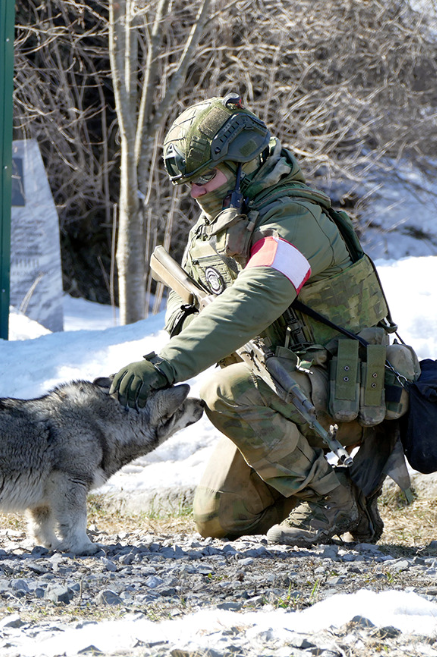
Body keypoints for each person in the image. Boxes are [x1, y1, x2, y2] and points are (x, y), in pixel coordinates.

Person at [110, 93, 410, 547]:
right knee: (217, 521)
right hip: (280, 389)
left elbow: (258, 295)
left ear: (244, 163)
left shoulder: (295, 219)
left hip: (350, 388)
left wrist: (164, 364)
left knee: (223, 391)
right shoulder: (213, 232)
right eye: (188, 182)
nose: (195, 192)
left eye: (205, 177)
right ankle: (336, 493)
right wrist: (187, 321)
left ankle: (335, 501)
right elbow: (189, 313)